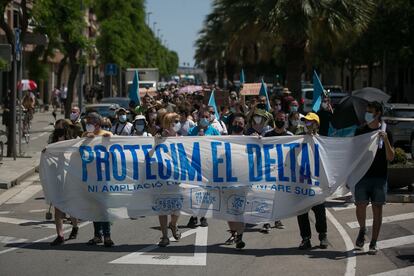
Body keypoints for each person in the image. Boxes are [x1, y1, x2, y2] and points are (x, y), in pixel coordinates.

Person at [354, 101, 394, 255]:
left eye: (370, 111)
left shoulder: (385, 132)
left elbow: (390, 157)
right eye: (367, 111)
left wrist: (386, 140)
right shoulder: (360, 131)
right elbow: (353, 154)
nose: (367, 114)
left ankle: (374, 242)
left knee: (378, 209)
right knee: (360, 205)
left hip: (379, 178)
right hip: (362, 177)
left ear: (378, 113)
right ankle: (363, 229)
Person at [296, 112, 329, 250]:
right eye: (306, 122)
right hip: (301, 182)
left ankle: (323, 236)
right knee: (302, 213)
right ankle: (305, 239)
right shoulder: (299, 139)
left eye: (310, 122)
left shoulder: (322, 141)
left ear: (316, 124)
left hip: (317, 184)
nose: (307, 125)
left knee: (320, 212)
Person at [82, 112, 114, 247]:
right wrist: (86, 139)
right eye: (87, 122)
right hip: (91, 176)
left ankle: (107, 235)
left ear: (97, 123)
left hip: (105, 177)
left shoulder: (108, 135)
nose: (88, 125)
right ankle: (97, 235)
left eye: (90, 122)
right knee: (95, 207)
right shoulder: (85, 135)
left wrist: (109, 140)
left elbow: (117, 148)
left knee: (104, 207)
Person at [187, 110, 220, 228]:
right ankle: (193, 216)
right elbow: (186, 146)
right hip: (195, 166)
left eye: (207, 117)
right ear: (198, 118)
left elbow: (220, 146)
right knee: (194, 192)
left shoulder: (214, 131)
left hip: (208, 167)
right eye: (202, 116)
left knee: (206, 193)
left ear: (210, 118)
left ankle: (204, 217)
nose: (204, 119)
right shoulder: (192, 131)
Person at [259, 112, 292, 233]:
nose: (279, 121)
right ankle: (266, 222)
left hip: (283, 171)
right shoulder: (267, 135)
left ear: (285, 119)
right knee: (267, 196)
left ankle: (277, 219)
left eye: (282, 119)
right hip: (269, 170)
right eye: (277, 119)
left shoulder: (290, 136)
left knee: (279, 197)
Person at [48, 119, 79, 245]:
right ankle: (60, 235)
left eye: (59, 127)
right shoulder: (53, 139)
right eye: (56, 127)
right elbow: (49, 152)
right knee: (58, 207)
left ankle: (75, 226)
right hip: (57, 176)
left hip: (70, 177)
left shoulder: (73, 140)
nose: (57, 129)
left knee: (70, 207)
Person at [157, 112, 182, 247]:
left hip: (177, 178)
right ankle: (164, 236)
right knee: (162, 208)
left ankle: (173, 224)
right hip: (161, 178)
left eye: (178, 121)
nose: (177, 123)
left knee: (176, 208)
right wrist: (160, 139)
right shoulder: (160, 137)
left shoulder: (182, 138)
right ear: (168, 123)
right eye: (174, 121)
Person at [224, 113, 246, 249]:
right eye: (236, 122)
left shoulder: (249, 140)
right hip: (226, 180)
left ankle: (240, 237)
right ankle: (233, 233)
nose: (238, 125)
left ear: (244, 125)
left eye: (241, 123)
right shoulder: (223, 140)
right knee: (228, 210)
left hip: (243, 180)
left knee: (239, 209)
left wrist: (258, 141)